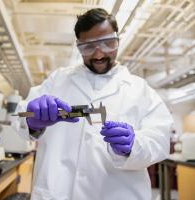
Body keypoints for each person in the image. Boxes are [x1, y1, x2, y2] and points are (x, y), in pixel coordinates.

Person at [14, 8, 173, 200]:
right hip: (56, 193)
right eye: (88, 47)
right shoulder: (58, 80)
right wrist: (32, 122)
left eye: (108, 43)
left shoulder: (140, 90)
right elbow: (19, 117)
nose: (99, 54)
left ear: (117, 41)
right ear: (78, 45)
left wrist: (133, 146)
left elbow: (160, 141)